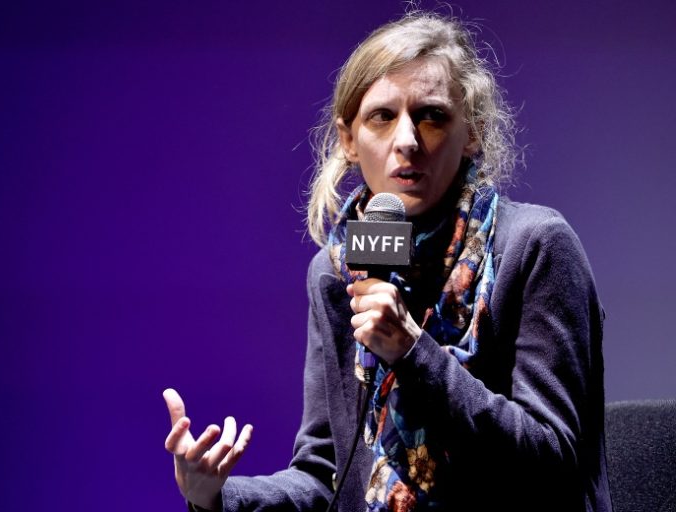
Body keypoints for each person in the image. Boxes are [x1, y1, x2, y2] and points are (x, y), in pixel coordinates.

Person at [163, 9, 612, 512]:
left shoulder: (534, 246)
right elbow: (327, 477)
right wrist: (216, 497)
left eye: (433, 116)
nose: (407, 141)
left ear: (474, 133)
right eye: (382, 116)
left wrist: (415, 353)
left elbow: (555, 463)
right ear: (349, 139)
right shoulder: (337, 275)